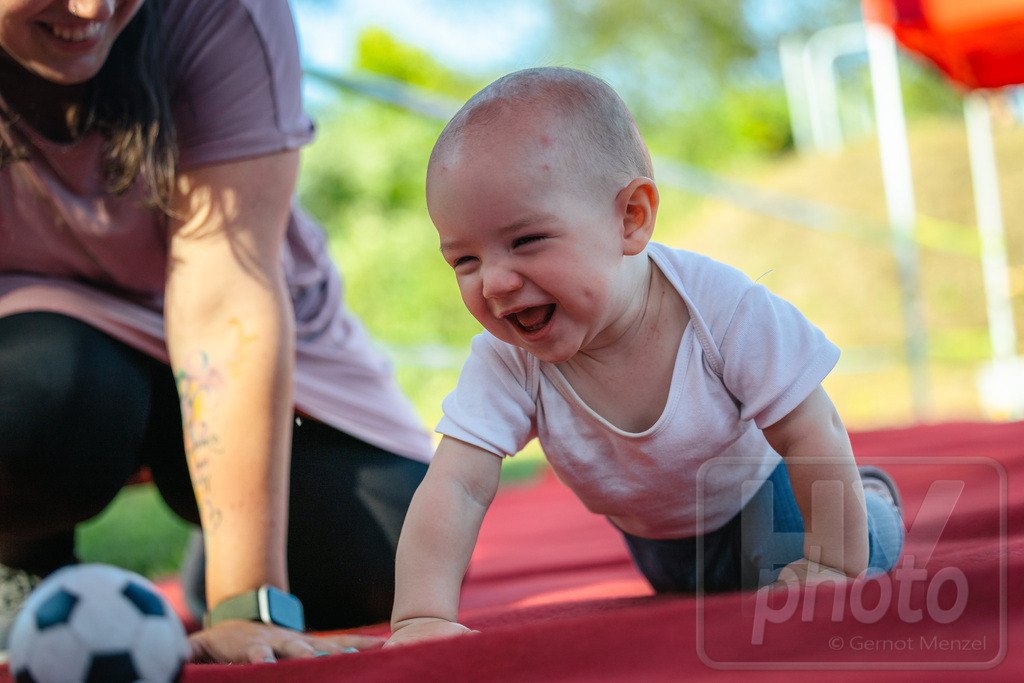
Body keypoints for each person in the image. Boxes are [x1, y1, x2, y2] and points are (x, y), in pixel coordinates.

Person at [384, 66, 905, 647]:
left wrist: (833, 564)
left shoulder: (719, 310)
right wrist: (420, 615)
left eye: (526, 241)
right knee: (705, 602)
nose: (496, 282)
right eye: (465, 261)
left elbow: (811, 427)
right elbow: (457, 484)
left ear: (631, 218)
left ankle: (874, 500)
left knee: (833, 564)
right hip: (658, 548)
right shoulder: (508, 360)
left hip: (770, 501)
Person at [0, 0, 433, 664]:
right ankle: (20, 559)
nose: (92, 8)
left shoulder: (227, 11)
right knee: (42, 398)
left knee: (390, 557)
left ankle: (220, 553)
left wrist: (248, 601)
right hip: (42, 338)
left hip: (233, 332)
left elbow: (223, 293)